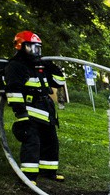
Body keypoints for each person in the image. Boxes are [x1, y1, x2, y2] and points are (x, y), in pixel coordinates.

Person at [5, 31, 66, 183]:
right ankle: (29, 177)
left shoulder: (41, 65)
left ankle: (49, 172)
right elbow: (13, 91)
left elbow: (59, 82)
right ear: (21, 46)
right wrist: (21, 115)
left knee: (51, 142)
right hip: (29, 111)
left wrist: (51, 67)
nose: (36, 52)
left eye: (38, 48)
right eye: (32, 48)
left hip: (46, 111)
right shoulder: (16, 66)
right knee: (32, 143)